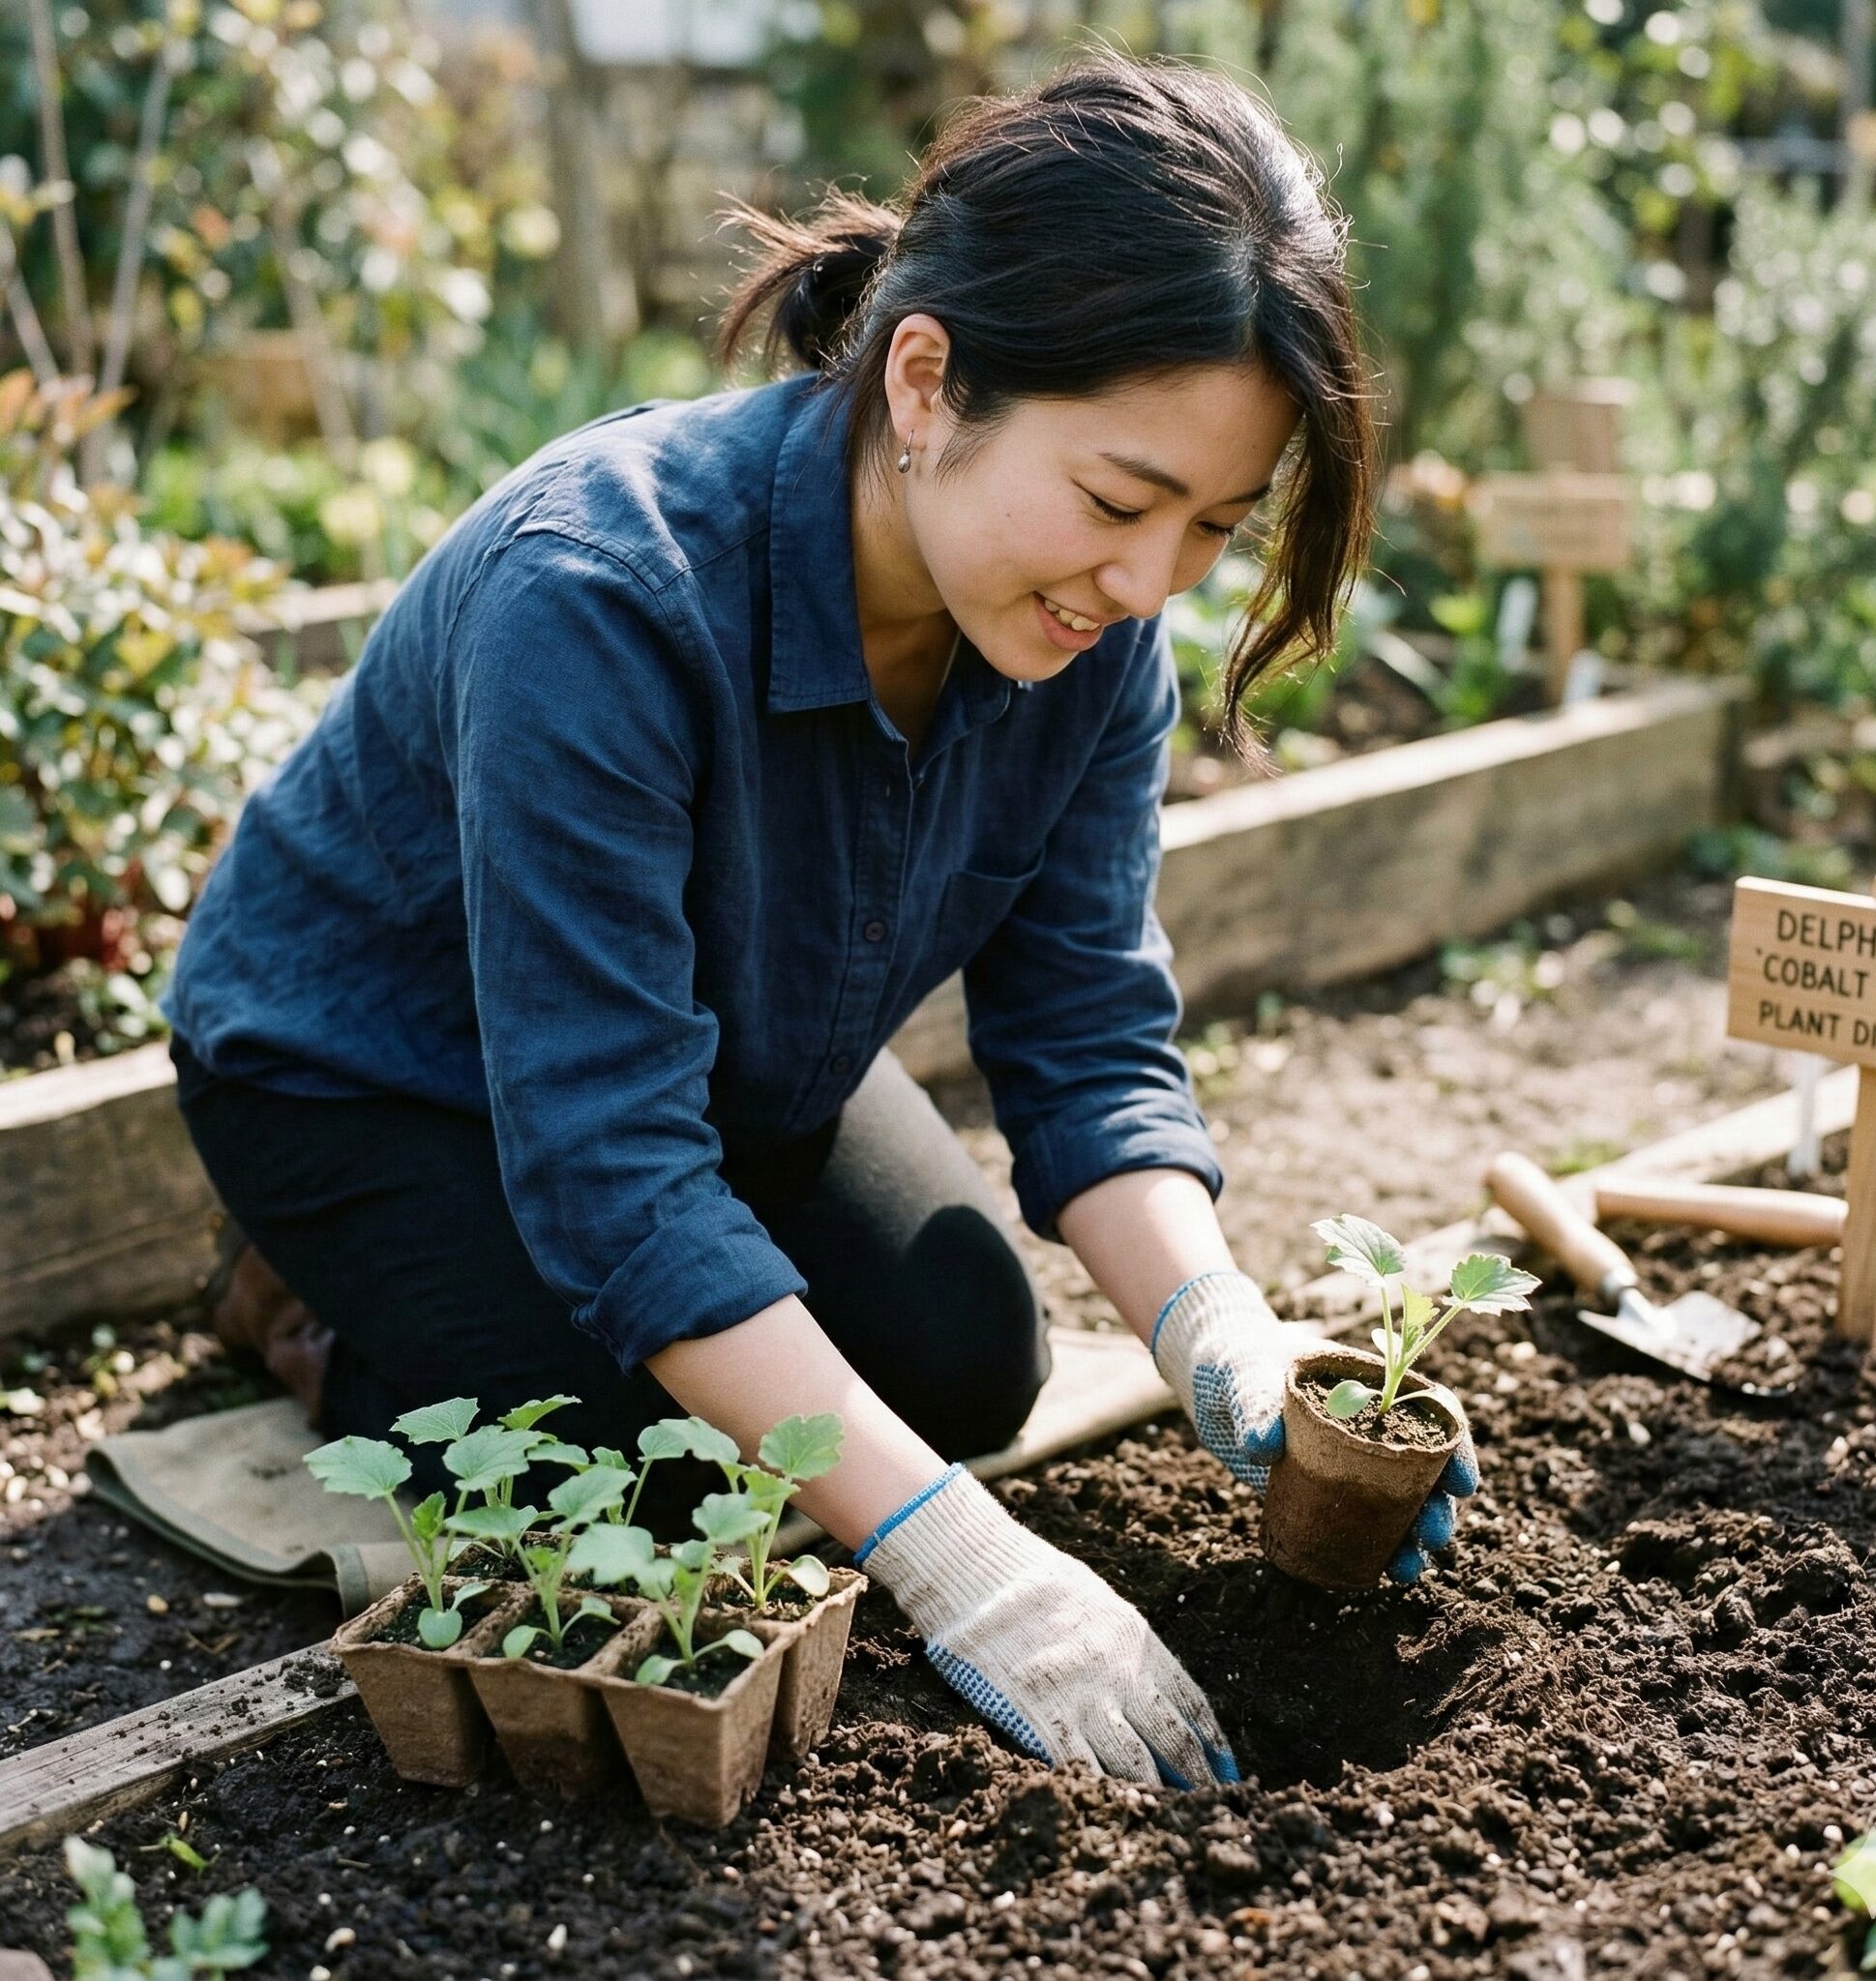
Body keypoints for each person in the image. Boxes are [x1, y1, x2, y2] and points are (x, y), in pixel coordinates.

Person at [166, 51, 1477, 1789]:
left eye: (1213, 529)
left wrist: (1218, 1329)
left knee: (964, 1361)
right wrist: (963, 1571)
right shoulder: (604, 595)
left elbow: (1085, 1036)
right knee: (656, 1472)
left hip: (711, 1048)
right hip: (378, 1070)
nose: (1150, 582)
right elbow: (617, 1171)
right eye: (1114, 500)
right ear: (924, 379)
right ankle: (305, 1296)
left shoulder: (1089, 645)